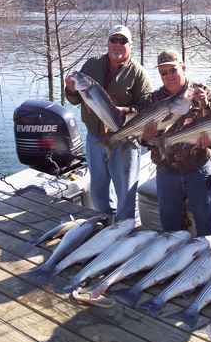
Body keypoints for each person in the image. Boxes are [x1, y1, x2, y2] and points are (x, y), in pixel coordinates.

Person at [65, 25, 152, 221]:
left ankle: (124, 227)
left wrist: (128, 111)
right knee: (98, 186)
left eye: (123, 41)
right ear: (108, 42)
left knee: (125, 188)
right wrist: (70, 89)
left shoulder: (138, 73)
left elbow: (147, 106)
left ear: (130, 45)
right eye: (114, 40)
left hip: (124, 139)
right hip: (95, 138)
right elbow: (75, 99)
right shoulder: (92, 65)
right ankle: (105, 222)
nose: (118, 45)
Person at [142, 50, 211, 237]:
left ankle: (207, 260)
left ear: (183, 67)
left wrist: (205, 105)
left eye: (173, 70)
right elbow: (145, 142)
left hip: (198, 169)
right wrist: (147, 137)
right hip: (166, 170)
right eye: (163, 73)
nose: (169, 76)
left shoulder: (203, 92)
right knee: (170, 226)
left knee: (205, 223)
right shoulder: (153, 100)